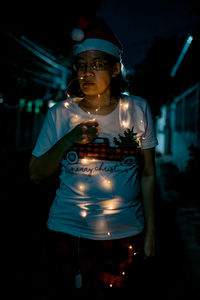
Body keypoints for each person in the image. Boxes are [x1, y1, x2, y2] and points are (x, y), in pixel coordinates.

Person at [29, 16, 158, 298]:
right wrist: (69, 139)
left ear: (114, 69)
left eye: (97, 64)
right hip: (68, 231)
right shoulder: (61, 114)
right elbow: (36, 172)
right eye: (82, 65)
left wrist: (150, 233)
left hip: (124, 232)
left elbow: (148, 173)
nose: (87, 72)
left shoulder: (136, 109)